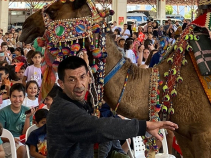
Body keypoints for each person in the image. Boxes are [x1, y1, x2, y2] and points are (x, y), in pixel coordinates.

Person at [47, 56, 177, 158]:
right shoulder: (64, 110)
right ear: (61, 83)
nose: (79, 85)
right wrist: (144, 126)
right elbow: (99, 128)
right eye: (72, 80)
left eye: (82, 77)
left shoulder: (75, 103)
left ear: (88, 77)